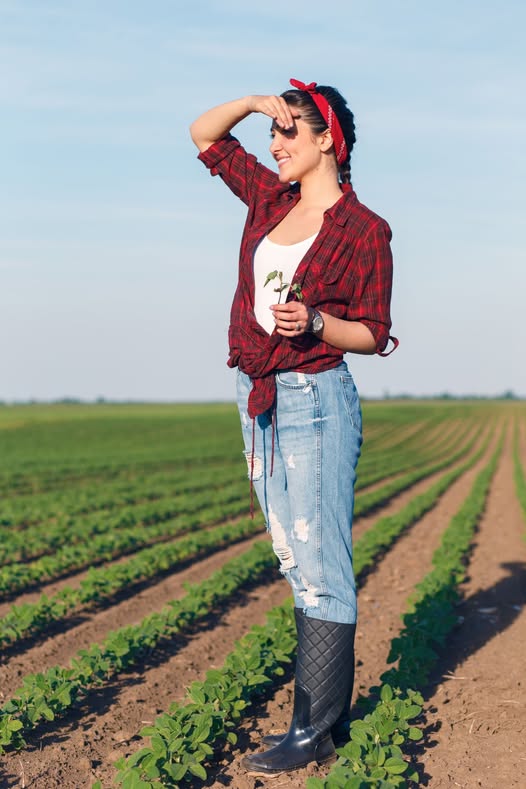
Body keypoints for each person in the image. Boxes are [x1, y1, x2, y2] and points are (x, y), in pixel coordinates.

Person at [189, 79, 396, 776]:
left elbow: (372, 331)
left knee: (321, 560)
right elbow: (205, 137)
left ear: (326, 141)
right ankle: (313, 722)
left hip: (316, 398)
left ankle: (316, 727)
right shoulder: (268, 198)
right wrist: (252, 104)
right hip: (256, 393)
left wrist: (314, 322)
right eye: (274, 133)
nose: (274, 145)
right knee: (290, 552)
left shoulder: (364, 229)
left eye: (288, 133)